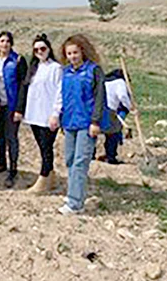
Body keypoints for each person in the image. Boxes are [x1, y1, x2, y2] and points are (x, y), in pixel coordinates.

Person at [50, 34, 109, 215]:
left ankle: (75, 203)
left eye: (75, 52)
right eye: (69, 53)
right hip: (70, 123)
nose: (72, 56)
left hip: (87, 123)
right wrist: (59, 117)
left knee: (80, 162)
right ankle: (75, 194)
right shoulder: (66, 72)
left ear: (83, 52)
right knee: (70, 160)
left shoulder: (94, 71)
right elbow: (63, 97)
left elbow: (100, 98)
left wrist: (95, 121)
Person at [16, 34, 62, 193]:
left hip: (48, 115)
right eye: (36, 50)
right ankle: (51, 176)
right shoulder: (33, 68)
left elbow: (60, 92)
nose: (40, 52)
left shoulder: (56, 68)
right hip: (34, 114)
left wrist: (56, 113)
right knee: (42, 148)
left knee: (46, 147)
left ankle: (43, 177)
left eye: (42, 48)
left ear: (49, 49)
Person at [0, 31, 28, 188]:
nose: (4, 44)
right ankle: (2, 162)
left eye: (7, 41)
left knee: (11, 137)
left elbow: (23, 85)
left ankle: (13, 169)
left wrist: (19, 109)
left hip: (12, 105)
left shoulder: (17, 60)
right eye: (2, 41)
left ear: (11, 44)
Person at [100, 69, 132, 165]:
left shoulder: (103, 80)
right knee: (113, 133)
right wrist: (129, 106)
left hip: (97, 109)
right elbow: (123, 96)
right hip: (110, 110)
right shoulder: (119, 82)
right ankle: (110, 157)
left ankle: (91, 155)